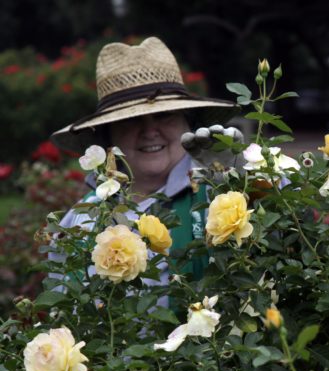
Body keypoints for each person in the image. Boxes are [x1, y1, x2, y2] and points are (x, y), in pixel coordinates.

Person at [49, 36, 240, 291]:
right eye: (132, 120)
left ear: (188, 122)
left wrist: (240, 178)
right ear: (108, 135)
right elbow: (64, 303)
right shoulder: (79, 221)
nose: (150, 131)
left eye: (164, 115)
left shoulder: (220, 195)